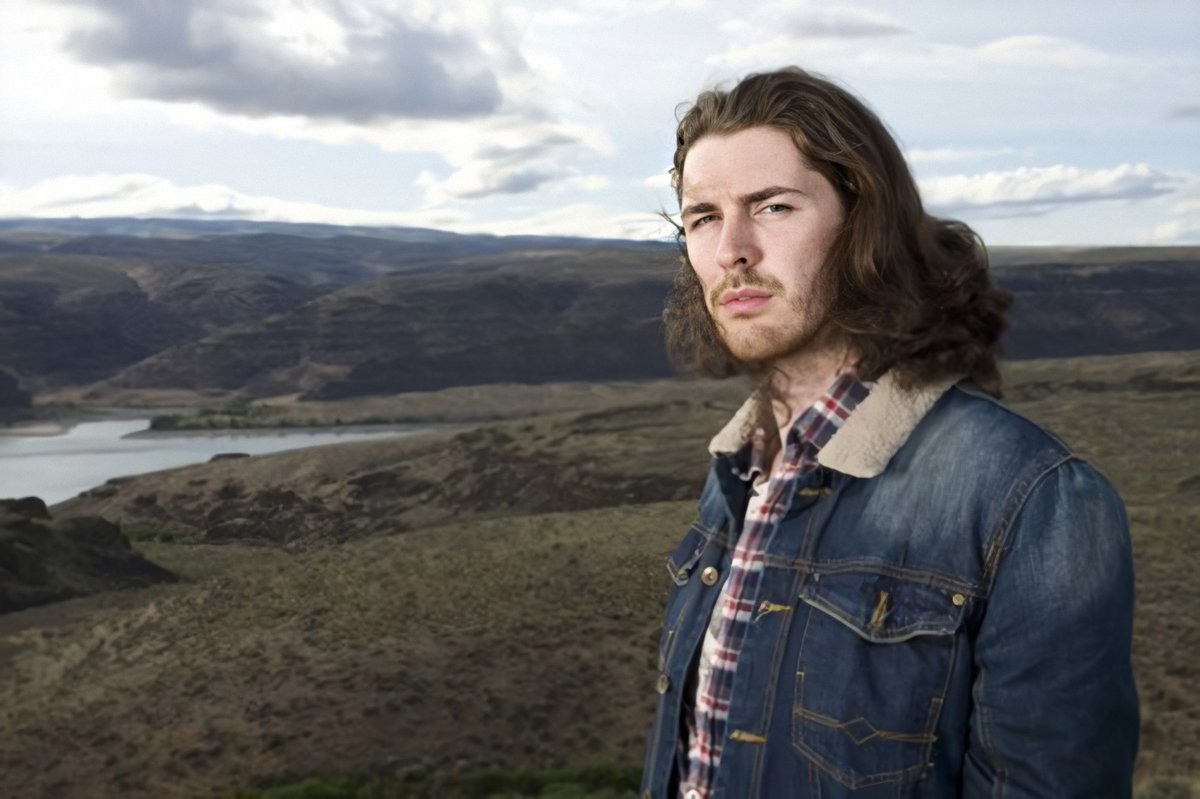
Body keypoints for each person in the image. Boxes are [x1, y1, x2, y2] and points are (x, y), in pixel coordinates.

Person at [640, 67, 1138, 799]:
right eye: (704, 217)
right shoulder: (737, 476)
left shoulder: (1030, 499)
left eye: (773, 207)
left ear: (865, 223)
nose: (732, 249)